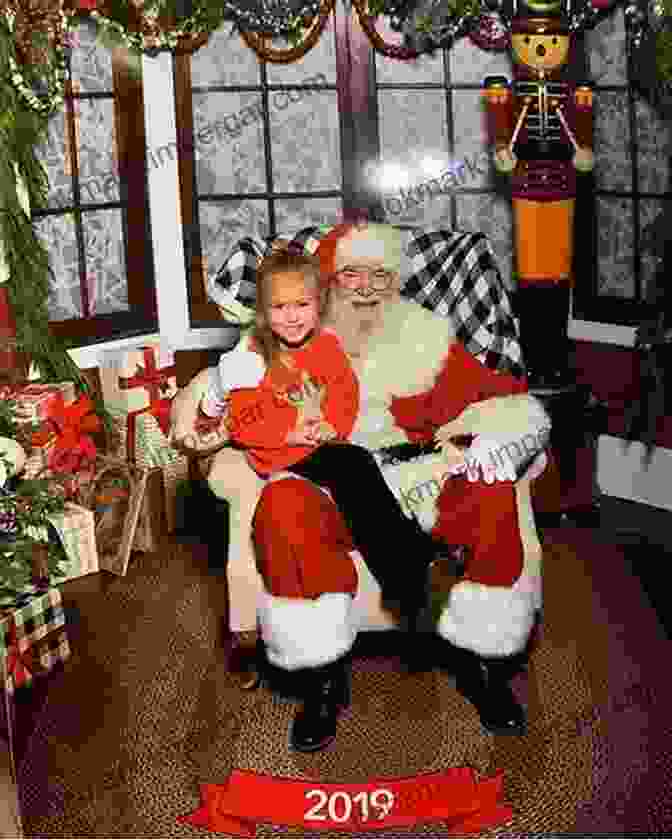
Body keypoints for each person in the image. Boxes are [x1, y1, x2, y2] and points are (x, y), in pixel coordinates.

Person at [201, 222, 550, 752]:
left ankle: (486, 665)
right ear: (327, 286)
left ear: (398, 282)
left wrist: (496, 444)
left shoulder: (425, 341)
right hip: (325, 479)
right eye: (351, 275)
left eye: (379, 276)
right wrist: (208, 411)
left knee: (492, 495)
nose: (364, 287)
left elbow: (506, 398)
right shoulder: (284, 339)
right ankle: (320, 681)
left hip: (419, 477)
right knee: (281, 507)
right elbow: (225, 393)